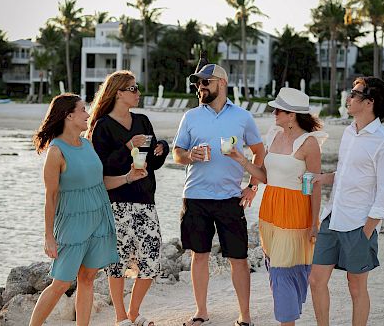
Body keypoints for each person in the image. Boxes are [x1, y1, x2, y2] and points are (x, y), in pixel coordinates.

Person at [29, 93, 145, 326]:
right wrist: (49, 236)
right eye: (83, 110)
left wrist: (128, 177)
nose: (88, 114)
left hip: (99, 219)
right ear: (68, 115)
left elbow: (99, 183)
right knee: (61, 282)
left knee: (88, 278)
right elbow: (50, 197)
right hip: (72, 224)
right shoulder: (56, 152)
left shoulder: (88, 144)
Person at [173, 64, 265, 326]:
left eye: (206, 82)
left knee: (239, 258)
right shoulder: (190, 116)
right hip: (195, 197)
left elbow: (260, 152)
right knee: (198, 255)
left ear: (222, 83)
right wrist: (191, 155)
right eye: (198, 83)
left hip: (230, 198)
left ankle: (244, 316)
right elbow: (177, 153)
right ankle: (201, 312)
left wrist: (252, 186)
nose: (200, 87)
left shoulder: (243, 117)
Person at [226, 87, 327, 325]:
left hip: (294, 212)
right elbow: (265, 176)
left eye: (278, 109)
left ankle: (286, 320)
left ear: (291, 114)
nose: (273, 113)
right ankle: (289, 313)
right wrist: (241, 160)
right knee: (275, 268)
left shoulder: (309, 143)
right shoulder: (274, 135)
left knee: (283, 271)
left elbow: (315, 185)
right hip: (270, 210)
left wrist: (314, 222)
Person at [309, 77, 384, 326]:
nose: (348, 97)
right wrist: (321, 178)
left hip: (359, 225)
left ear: (369, 102)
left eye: (354, 93)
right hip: (333, 217)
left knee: (356, 288)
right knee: (316, 280)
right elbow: (348, 176)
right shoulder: (350, 132)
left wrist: (367, 231)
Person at [86, 70, 169, 326]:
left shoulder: (143, 121)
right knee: (117, 263)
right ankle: (121, 317)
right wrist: (128, 146)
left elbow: (151, 163)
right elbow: (101, 168)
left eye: (137, 88)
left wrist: (162, 148)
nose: (138, 92)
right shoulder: (102, 127)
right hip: (116, 203)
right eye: (133, 88)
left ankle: (134, 312)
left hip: (145, 200)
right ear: (119, 93)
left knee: (151, 259)